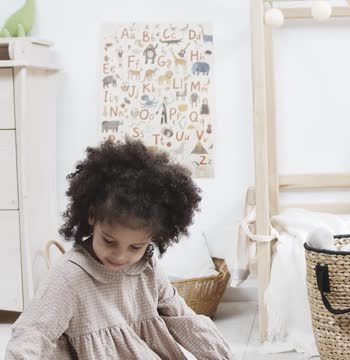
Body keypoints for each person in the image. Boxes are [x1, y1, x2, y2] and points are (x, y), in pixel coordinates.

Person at [5, 138, 233, 359]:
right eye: (109, 241)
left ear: (153, 237)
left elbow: (181, 318)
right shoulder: (70, 276)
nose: (121, 256)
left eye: (135, 246)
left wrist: (219, 355)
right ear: (92, 216)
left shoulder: (147, 267)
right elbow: (33, 333)